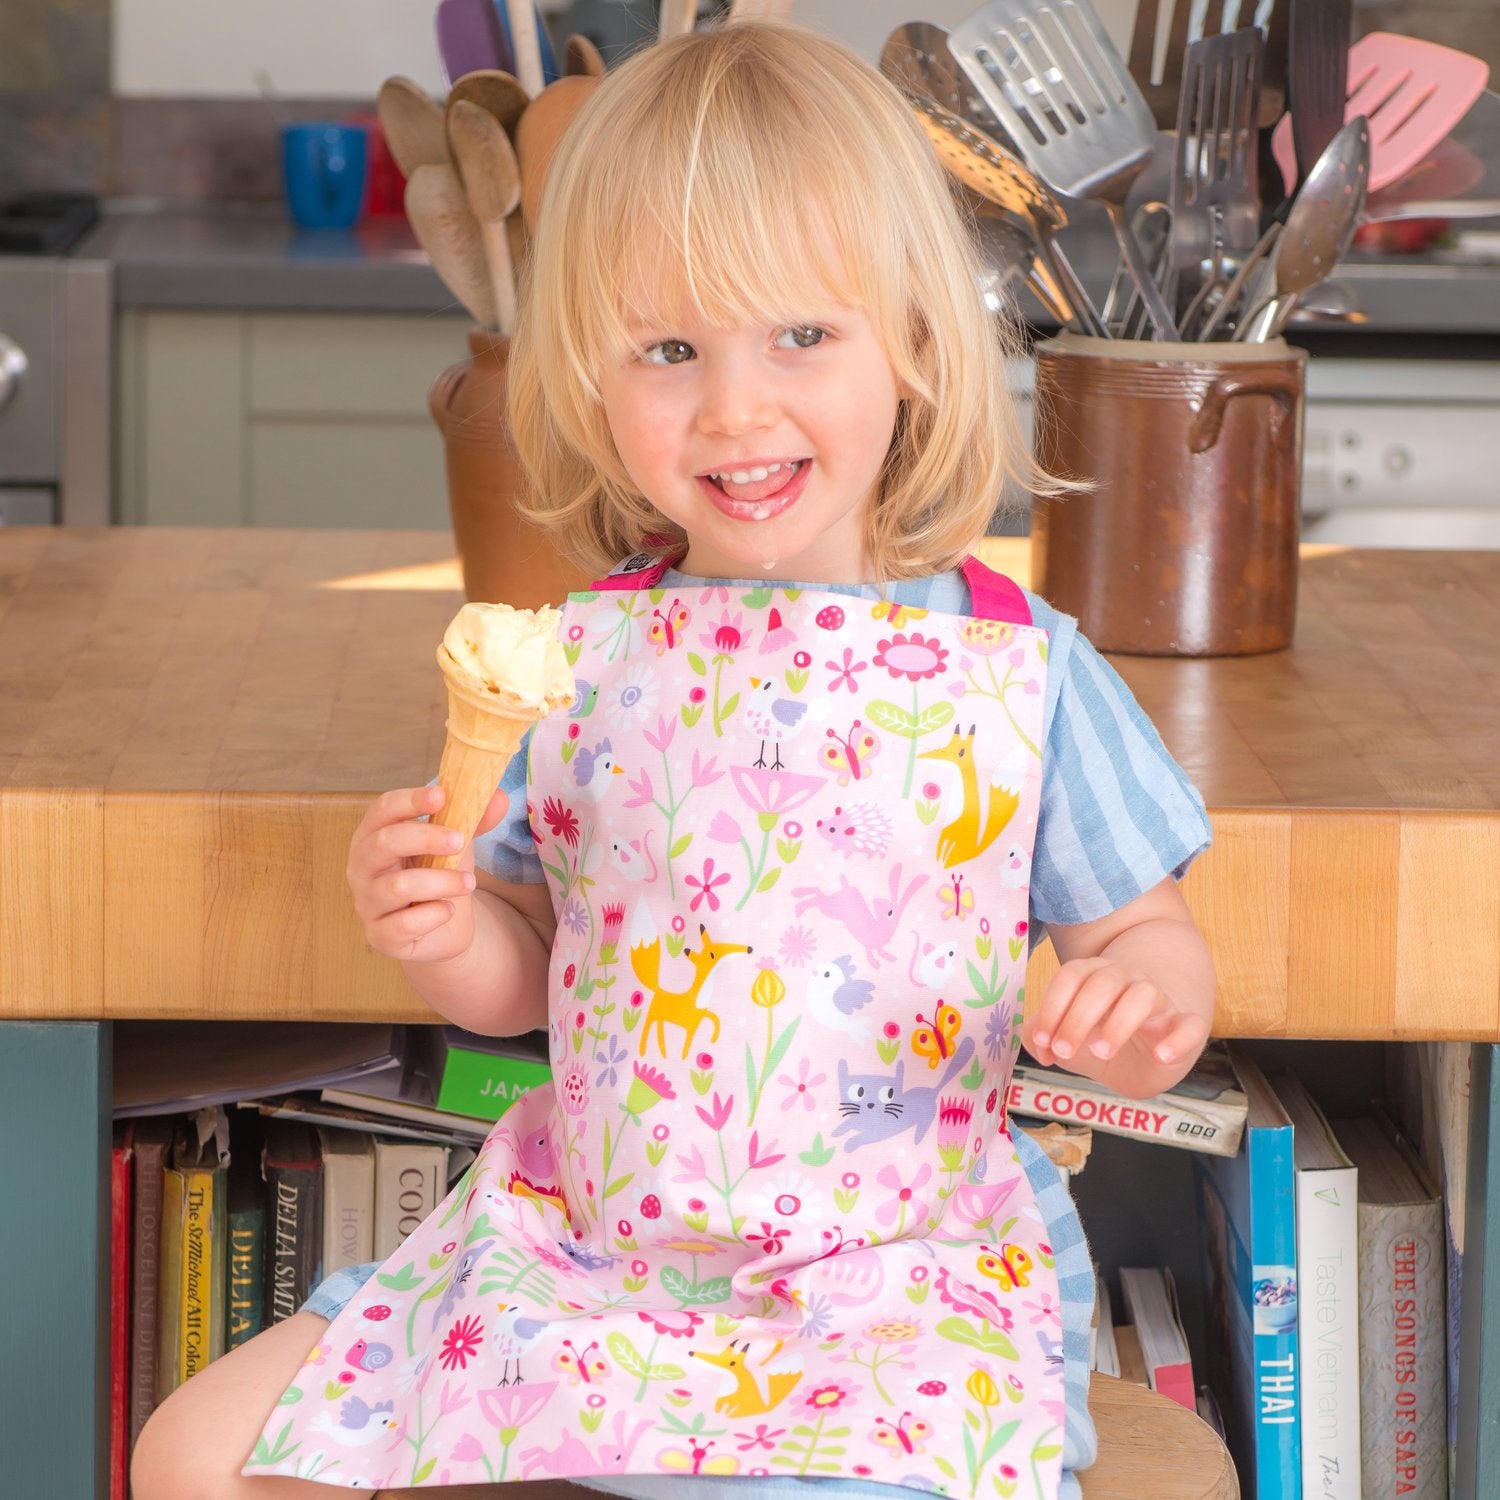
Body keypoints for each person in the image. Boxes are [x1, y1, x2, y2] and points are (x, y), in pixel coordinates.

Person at [132, 21, 1214, 1500]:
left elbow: (1150, 934)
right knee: (194, 1456)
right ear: (592, 371)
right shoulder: (572, 661)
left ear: (907, 334)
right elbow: (525, 969)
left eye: (802, 337)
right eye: (669, 349)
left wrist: (1140, 1003)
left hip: (888, 1284)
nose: (735, 407)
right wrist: (446, 932)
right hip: (585, 1257)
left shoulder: (1020, 669)